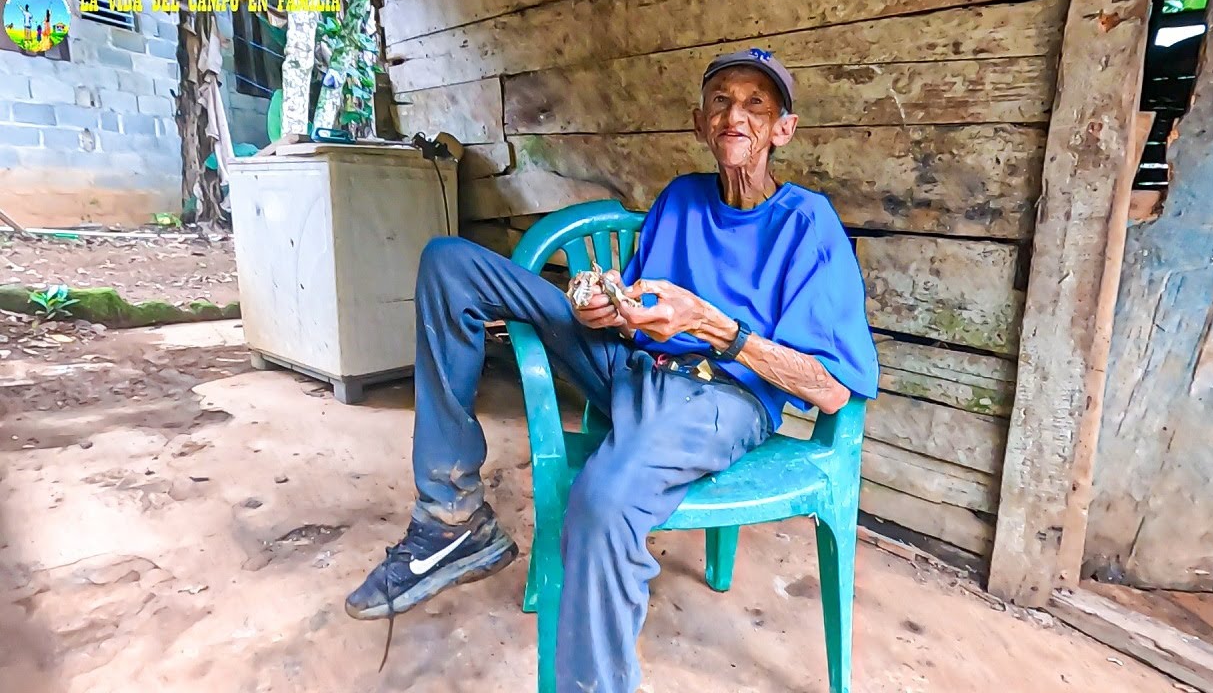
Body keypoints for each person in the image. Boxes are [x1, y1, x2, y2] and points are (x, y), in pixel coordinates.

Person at [345, 48, 880, 692]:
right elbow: (634, 305)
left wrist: (714, 327)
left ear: (782, 129)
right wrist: (605, 308)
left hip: (719, 397)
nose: (735, 115)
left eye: (756, 105)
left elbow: (831, 389)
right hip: (632, 364)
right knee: (451, 263)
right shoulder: (682, 197)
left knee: (601, 503)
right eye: (721, 102)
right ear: (700, 122)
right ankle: (452, 522)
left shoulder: (807, 225)